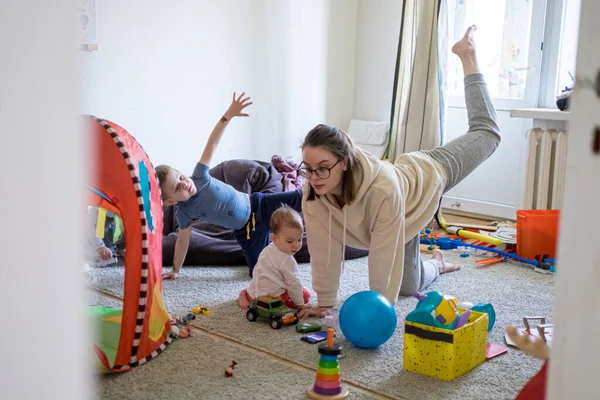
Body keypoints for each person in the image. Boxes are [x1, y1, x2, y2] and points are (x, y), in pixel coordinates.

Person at [298, 26, 501, 318]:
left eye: (323, 168)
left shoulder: (382, 189)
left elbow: (381, 260)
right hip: (397, 220)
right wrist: (325, 303)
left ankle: (468, 55)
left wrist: (381, 310)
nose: (314, 177)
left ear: (344, 161)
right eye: (308, 169)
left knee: (487, 132)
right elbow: (323, 249)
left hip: (429, 176)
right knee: (408, 286)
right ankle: (438, 265)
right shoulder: (313, 194)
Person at [156, 92, 303, 280]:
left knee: (300, 198)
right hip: (247, 232)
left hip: (259, 205)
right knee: (259, 273)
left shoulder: (199, 176)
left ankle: (331, 194)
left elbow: (213, 142)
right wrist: (176, 269)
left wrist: (229, 114)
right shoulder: (184, 214)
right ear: (169, 201)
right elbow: (183, 241)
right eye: (177, 188)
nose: (185, 184)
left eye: (181, 177)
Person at [238, 205, 311, 310]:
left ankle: (245, 294)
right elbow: (293, 285)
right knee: (305, 294)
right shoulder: (287, 260)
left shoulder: (267, 249)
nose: (296, 245)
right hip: (272, 300)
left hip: (254, 294)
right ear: (273, 238)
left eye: (299, 239)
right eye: (290, 241)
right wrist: (300, 305)